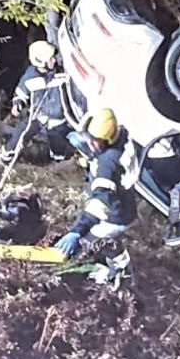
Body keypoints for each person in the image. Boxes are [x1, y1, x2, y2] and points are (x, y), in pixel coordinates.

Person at [53, 108, 137, 282]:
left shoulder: (107, 165)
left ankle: (116, 272)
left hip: (115, 214)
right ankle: (120, 261)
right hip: (125, 201)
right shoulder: (122, 138)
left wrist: (76, 232)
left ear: (107, 140)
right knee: (103, 237)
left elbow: (100, 204)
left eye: (94, 142)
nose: (90, 144)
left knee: (90, 242)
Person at [6, 40, 72, 162]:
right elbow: (21, 92)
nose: (54, 60)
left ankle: (58, 161)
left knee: (57, 141)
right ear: (41, 62)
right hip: (37, 115)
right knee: (21, 132)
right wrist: (17, 104)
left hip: (58, 119)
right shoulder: (30, 76)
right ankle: (7, 156)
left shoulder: (62, 74)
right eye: (50, 59)